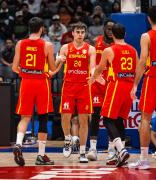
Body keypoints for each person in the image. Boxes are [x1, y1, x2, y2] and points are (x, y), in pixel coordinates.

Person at [12, 17, 64, 166]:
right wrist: (60, 60)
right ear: (41, 28)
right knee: (43, 117)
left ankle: (18, 143)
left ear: (29, 28)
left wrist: (27, 71)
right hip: (41, 84)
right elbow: (53, 69)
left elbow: (14, 68)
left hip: (26, 83)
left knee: (25, 117)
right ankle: (41, 155)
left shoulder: (20, 43)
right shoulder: (47, 45)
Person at [88, 23, 138, 167]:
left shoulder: (109, 50)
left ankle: (121, 151)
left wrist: (92, 78)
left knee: (108, 119)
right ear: (125, 34)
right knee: (119, 121)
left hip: (116, 85)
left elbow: (99, 68)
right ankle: (119, 154)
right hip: (129, 87)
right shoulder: (133, 50)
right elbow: (137, 69)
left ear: (113, 35)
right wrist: (134, 86)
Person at [57, 22, 96, 163]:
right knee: (65, 117)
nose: (80, 34)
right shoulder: (65, 48)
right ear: (72, 33)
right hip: (68, 86)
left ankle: (82, 152)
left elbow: (92, 67)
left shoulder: (91, 49)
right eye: (77, 32)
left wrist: (93, 75)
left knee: (83, 120)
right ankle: (67, 139)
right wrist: (58, 59)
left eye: (82, 32)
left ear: (85, 34)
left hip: (84, 87)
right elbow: (56, 66)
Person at [128, 6, 156, 170]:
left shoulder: (146, 36)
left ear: (148, 18)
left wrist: (135, 84)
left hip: (152, 78)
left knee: (145, 119)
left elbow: (142, 60)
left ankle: (144, 160)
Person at [87, 19, 115, 162]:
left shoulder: (117, 44)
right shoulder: (96, 41)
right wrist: (94, 74)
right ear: (104, 29)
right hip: (97, 84)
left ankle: (111, 150)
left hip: (111, 84)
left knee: (110, 117)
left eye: (112, 28)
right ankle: (93, 148)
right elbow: (91, 62)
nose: (110, 30)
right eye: (108, 28)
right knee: (96, 116)